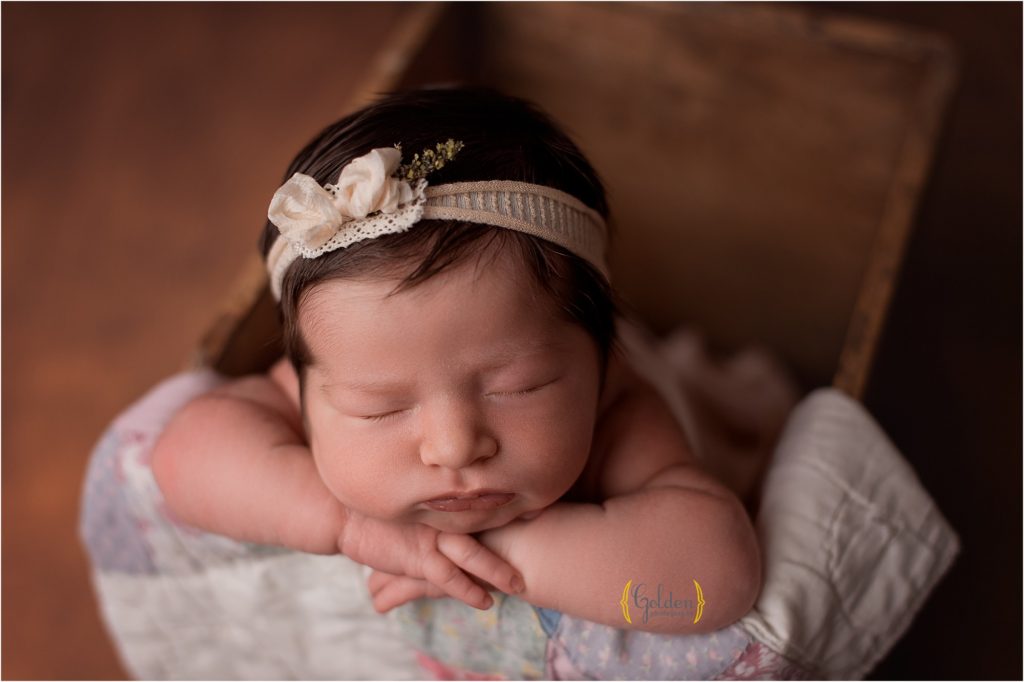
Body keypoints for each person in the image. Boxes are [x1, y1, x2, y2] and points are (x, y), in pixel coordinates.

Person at [151, 85, 784, 635]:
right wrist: (348, 527)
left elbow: (713, 579)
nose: (454, 447)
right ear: (310, 383)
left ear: (602, 359)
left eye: (518, 388)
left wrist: (495, 554)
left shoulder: (619, 407)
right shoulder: (339, 367)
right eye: (381, 407)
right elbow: (183, 455)